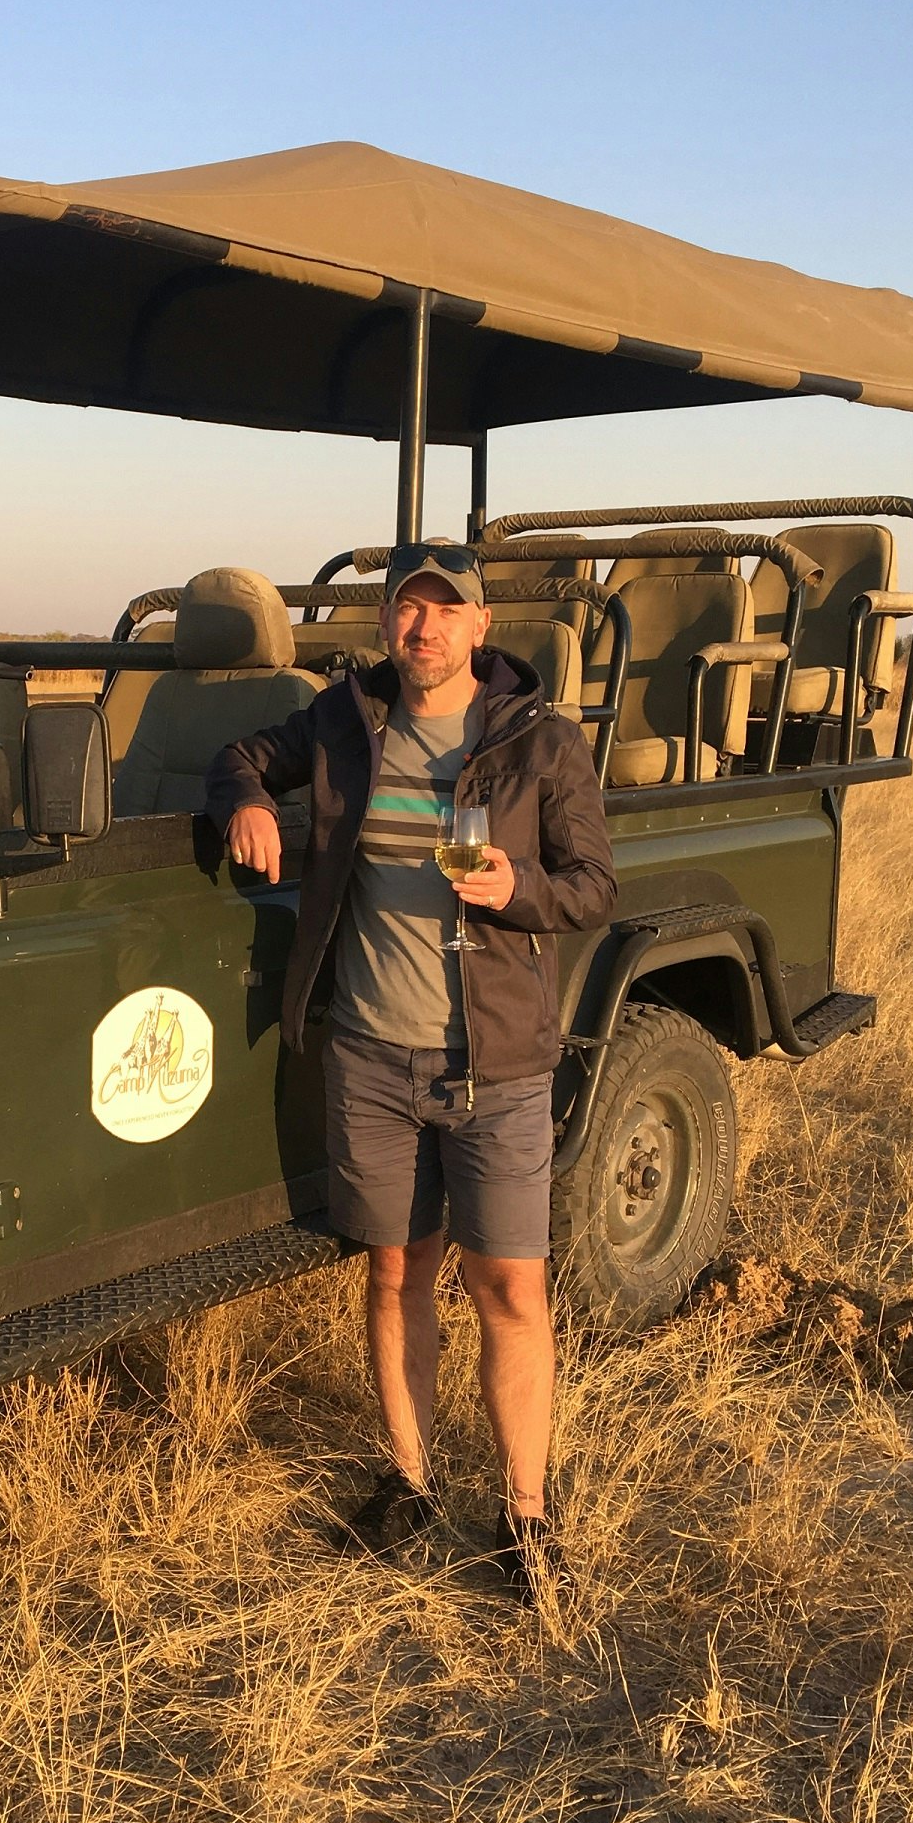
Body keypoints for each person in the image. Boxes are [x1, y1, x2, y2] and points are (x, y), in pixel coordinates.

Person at [204, 539, 616, 1599]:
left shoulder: (539, 741)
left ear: (481, 628)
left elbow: (592, 890)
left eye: (445, 611)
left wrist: (516, 885)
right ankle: (411, 1482)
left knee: (510, 1284)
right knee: (397, 1274)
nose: (423, 628)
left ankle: (524, 1513)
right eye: (406, 610)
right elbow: (241, 755)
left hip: (497, 1066)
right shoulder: (346, 720)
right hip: (373, 1054)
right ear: (386, 624)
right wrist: (249, 801)